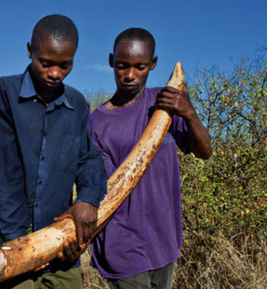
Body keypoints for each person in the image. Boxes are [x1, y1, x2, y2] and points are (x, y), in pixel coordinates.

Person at [0, 14, 107, 288]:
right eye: (45, 63)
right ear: (29, 50)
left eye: (65, 65)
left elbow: (87, 158)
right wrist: (22, 247)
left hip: (63, 246)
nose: (55, 73)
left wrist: (88, 200)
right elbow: (4, 175)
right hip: (10, 246)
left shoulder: (77, 103)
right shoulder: (1, 94)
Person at [88, 28, 212, 289]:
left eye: (140, 67)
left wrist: (189, 113)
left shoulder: (167, 103)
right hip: (121, 246)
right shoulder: (97, 123)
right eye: (122, 66)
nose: (130, 75)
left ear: (153, 64)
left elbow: (204, 152)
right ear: (112, 62)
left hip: (164, 241)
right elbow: (103, 190)